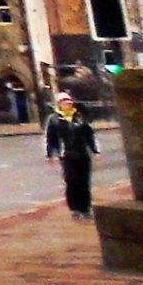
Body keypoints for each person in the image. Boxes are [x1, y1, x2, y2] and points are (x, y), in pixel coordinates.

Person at [45, 91, 100, 219]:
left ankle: (85, 208)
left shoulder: (79, 116)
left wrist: (95, 150)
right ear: (59, 104)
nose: (68, 103)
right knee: (72, 181)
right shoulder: (54, 119)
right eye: (65, 101)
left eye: (69, 101)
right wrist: (50, 154)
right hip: (67, 155)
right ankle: (75, 208)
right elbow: (51, 138)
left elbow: (89, 135)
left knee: (84, 182)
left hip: (82, 154)